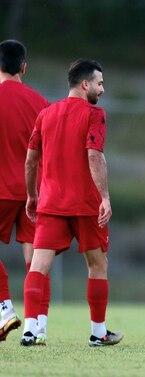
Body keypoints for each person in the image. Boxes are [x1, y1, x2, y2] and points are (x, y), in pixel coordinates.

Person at [21, 59, 123, 347]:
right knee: (97, 264)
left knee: (38, 266)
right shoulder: (94, 114)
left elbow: (31, 160)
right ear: (85, 84)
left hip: (51, 202)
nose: (102, 89)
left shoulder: (46, 114)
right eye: (100, 83)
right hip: (86, 204)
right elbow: (94, 155)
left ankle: (31, 329)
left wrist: (32, 195)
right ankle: (98, 332)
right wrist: (104, 197)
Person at [0, 39, 50, 343]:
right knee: (37, 259)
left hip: (1, 188)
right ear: (24, 67)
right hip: (36, 190)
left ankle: (4, 307)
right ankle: (37, 325)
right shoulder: (40, 102)